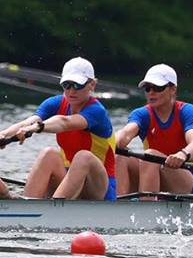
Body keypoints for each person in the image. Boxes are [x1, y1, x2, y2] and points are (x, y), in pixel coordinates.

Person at [0, 57, 117, 200]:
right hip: (69, 180)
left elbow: (64, 122)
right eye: (66, 85)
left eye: (77, 85)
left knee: (83, 157)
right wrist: (4, 134)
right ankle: (28, 205)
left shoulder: (96, 111)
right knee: (48, 153)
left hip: (99, 188)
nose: (71, 91)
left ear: (92, 84)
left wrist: (37, 127)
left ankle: (54, 208)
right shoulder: (55, 103)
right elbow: (29, 121)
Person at [115, 64, 193, 197]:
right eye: (148, 88)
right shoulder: (141, 114)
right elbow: (125, 134)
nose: (151, 93)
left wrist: (182, 154)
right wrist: (113, 141)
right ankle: (117, 205)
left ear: (173, 89)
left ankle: (147, 206)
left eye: (158, 88)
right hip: (156, 171)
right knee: (120, 155)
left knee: (150, 156)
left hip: (191, 178)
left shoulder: (186, 111)